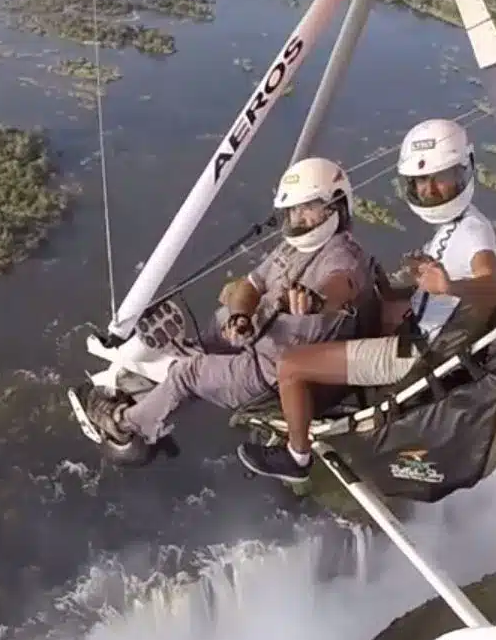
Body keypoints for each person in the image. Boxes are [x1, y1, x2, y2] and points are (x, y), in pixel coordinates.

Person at [236, 118, 496, 483]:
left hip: (412, 352)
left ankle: (297, 458)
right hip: (416, 332)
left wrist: (449, 286)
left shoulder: (474, 232)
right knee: (363, 311)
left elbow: (492, 287)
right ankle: (320, 390)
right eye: (421, 181)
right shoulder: (457, 226)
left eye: (440, 177)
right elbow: (440, 293)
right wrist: (397, 288)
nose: (429, 190)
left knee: (290, 365)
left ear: (464, 170)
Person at [78, 156, 375, 451]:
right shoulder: (293, 247)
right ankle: (172, 388)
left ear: (335, 206)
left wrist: (316, 300)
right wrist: (240, 317)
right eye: (294, 209)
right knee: (222, 318)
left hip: (270, 373)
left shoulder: (342, 255)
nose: (298, 217)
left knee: (187, 373)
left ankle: (124, 425)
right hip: (255, 339)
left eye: (308, 207)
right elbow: (251, 285)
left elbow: (341, 285)